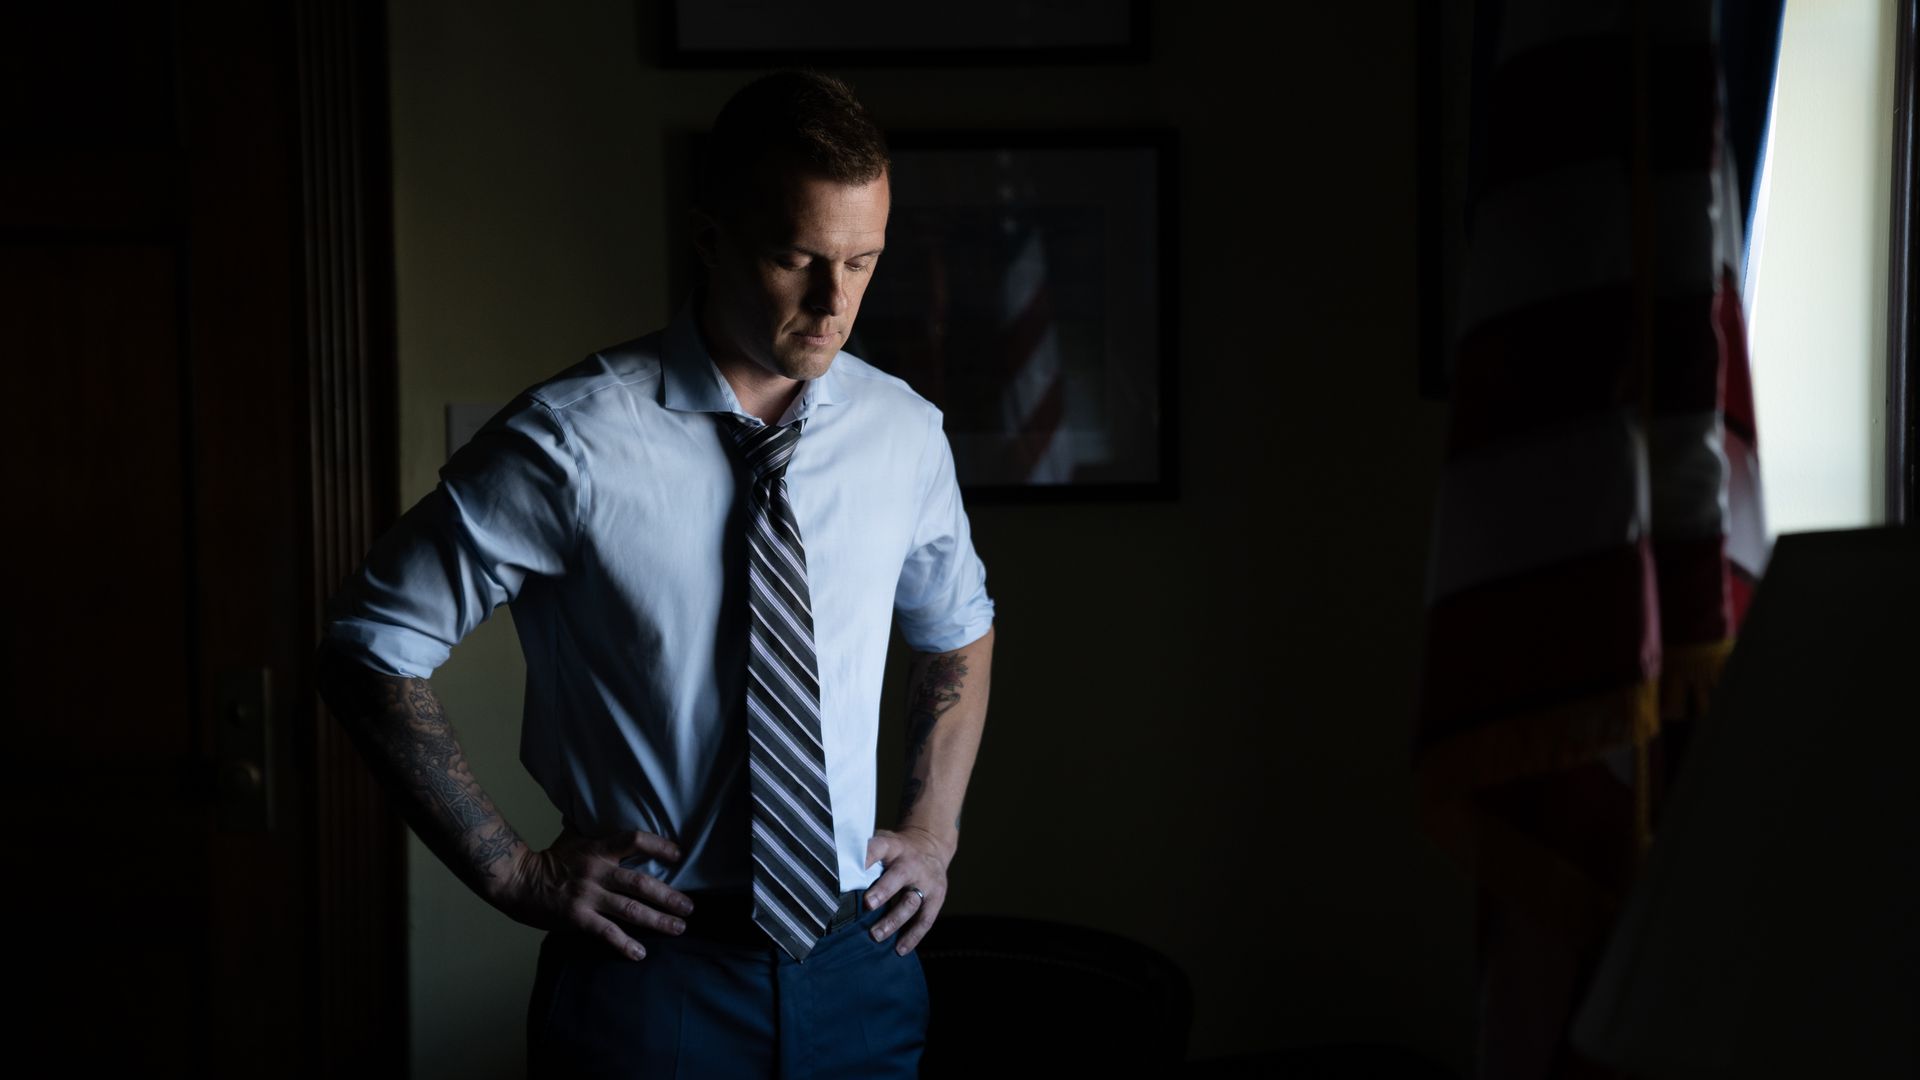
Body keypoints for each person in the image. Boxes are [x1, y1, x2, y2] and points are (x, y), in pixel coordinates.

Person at [313, 69, 996, 1078]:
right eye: (795, 258)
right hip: (649, 977)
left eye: (862, 261)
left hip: (862, 970)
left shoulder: (904, 433)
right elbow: (369, 644)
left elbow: (955, 627)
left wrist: (932, 831)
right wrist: (509, 870)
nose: (833, 301)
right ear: (711, 237)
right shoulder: (570, 442)